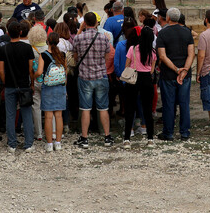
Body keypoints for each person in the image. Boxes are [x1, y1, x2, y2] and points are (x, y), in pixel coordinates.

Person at [71, 12, 114, 148]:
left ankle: (84, 138)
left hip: (85, 76)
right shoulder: (103, 38)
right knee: (103, 108)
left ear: (84, 23)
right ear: (96, 22)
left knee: (85, 108)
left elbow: (76, 57)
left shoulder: (78, 38)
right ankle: (107, 136)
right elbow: (107, 57)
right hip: (101, 75)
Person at [155, 7, 194, 141]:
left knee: (169, 104)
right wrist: (184, 70)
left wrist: (176, 70)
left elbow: (162, 56)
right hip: (185, 74)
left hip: (168, 74)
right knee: (184, 103)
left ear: (168, 18)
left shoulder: (163, 34)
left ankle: (168, 132)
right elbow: (191, 54)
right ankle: (185, 132)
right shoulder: (187, 33)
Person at [0, 21, 37, 154]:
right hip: (24, 84)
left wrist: (5, 82)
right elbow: (30, 68)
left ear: (8, 33)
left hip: (10, 84)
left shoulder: (3, 48)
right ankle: (28, 144)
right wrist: (32, 83)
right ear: (21, 32)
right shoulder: (27, 48)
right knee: (26, 114)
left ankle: (12, 143)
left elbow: (1, 71)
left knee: (10, 114)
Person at [121, 25, 156, 149]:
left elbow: (127, 65)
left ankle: (127, 139)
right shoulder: (153, 52)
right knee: (147, 109)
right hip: (146, 78)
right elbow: (152, 70)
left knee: (130, 108)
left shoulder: (133, 48)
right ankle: (150, 138)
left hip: (134, 78)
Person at [41, 31, 68, 152]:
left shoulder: (44, 55)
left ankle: (49, 144)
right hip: (60, 87)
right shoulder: (62, 55)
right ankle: (58, 142)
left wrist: (35, 75)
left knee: (48, 116)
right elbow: (65, 73)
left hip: (48, 87)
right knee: (59, 116)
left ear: (48, 41)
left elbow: (39, 72)